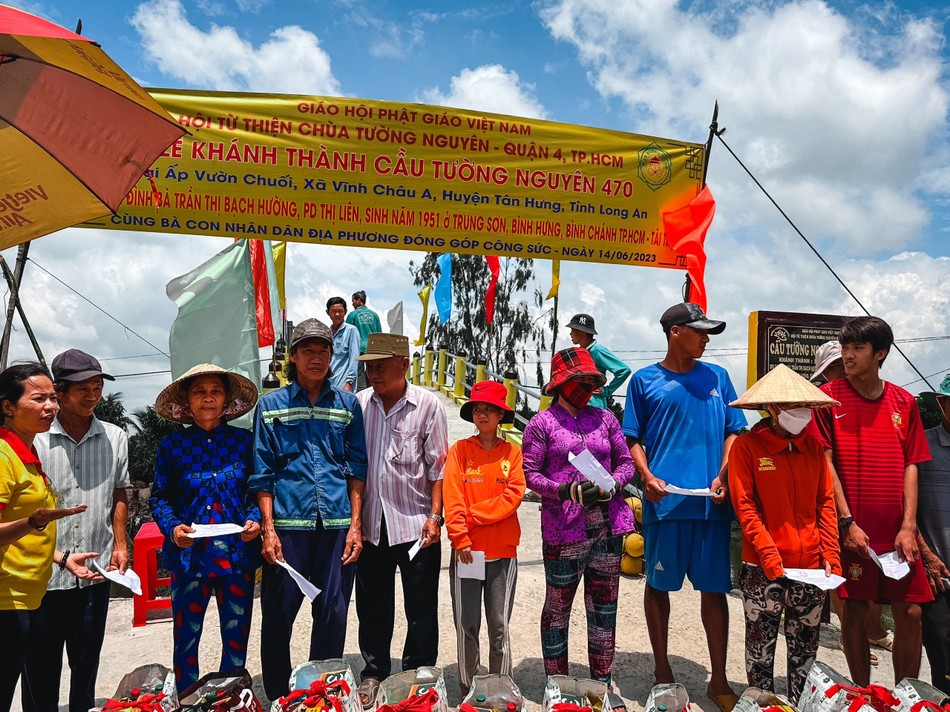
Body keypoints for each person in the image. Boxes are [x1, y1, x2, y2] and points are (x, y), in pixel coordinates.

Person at [622, 303, 746, 712]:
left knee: (715, 591)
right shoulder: (644, 381)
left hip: (712, 505)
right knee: (658, 588)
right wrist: (646, 475)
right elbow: (632, 438)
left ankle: (720, 677)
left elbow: (734, 431)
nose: (707, 339)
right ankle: (661, 669)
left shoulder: (719, 378)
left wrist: (725, 472)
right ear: (676, 332)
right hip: (665, 503)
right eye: (700, 332)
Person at [810, 316, 932, 687]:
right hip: (852, 528)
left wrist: (909, 527)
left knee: (910, 612)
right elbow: (824, 463)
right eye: (844, 348)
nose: (847, 355)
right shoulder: (829, 400)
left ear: (880, 353)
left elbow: (912, 463)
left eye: (857, 348)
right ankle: (864, 693)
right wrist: (846, 523)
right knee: (857, 612)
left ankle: (906, 695)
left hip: (896, 532)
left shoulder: (904, 401)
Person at [249, 319, 368, 700]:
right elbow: (262, 473)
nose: (317, 358)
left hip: (335, 524)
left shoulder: (348, 405)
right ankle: (280, 695)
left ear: (332, 356)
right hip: (287, 524)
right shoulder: (270, 406)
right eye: (308, 350)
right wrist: (268, 529)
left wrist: (355, 525)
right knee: (279, 612)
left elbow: (357, 468)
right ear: (294, 356)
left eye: (324, 351)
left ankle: (320, 691)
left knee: (332, 612)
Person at [727, 364, 842, 700]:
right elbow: (746, 507)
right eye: (794, 408)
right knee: (760, 650)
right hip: (763, 569)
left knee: (805, 651)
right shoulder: (747, 448)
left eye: (805, 407)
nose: (802, 414)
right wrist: (769, 555)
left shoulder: (814, 449)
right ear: (774, 409)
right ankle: (763, 705)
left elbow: (826, 504)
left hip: (812, 569)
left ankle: (802, 704)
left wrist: (831, 556)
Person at [522, 347, 636, 685]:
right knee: (557, 608)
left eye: (591, 380)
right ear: (561, 383)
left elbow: (626, 463)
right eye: (580, 379)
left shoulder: (606, 419)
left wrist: (614, 483)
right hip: (563, 529)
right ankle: (557, 683)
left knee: (604, 608)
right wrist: (565, 490)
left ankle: (601, 681)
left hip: (608, 527)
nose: (586, 385)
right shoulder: (541, 424)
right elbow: (530, 473)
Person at [24, 350, 130, 712]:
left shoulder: (115, 437)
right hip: (42, 574)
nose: (92, 395)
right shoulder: (33, 439)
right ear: (60, 391)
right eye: (82, 388)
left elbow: (119, 492)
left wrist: (121, 543)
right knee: (40, 668)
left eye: (97, 387)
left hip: (94, 572)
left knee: (86, 665)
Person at [149, 364, 262, 692]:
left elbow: (256, 492)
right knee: (185, 640)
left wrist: (254, 519)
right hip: (189, 560)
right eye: (200, 392)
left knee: (236, 637)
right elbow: (160, 498)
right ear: (187, 400)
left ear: (227, 399)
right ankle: (187, 698)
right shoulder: (172, 446)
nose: (208, 398)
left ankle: (229, 697)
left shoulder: (244, 442)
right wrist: (172, 529)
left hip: (236, 558)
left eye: (216, 391)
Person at [354, 333, 448, 708]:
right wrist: (356, 521)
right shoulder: (359, 404)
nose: (373, 372)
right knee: (372, 605)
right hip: (373, 525)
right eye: (369, 366)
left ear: (404, 364)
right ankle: (374, 671)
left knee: (421, 605)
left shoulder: (428, 406)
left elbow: (438, 468)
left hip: (415, 526)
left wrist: (435, 517)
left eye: (380, 364)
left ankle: (418, 672)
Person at [0, 363, 100, 712]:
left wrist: (60, 557)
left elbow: (27, 532)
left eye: (52, 399)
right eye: (38, 398)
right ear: (8, 407)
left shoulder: (25, 453)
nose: (50, 407)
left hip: (27, 594)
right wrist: (34, 521)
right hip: (6, 599)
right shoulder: (2, 456)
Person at [811, 340, 892, 664]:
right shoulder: (822, 407)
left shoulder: (872, 400)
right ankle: (852, 633)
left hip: (870, 497)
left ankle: (872, 629)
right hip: (830, 500)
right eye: (833, 368)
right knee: (838, 569)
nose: (841, 372)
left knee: (877, 567)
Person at [444, 380, 524, 695]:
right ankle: (468, 686)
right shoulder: (460, 451)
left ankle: (500, 685)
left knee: (499, 626)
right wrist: (461, 536)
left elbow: (513, 496)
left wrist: (473, 515)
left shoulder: (513, 454)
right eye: (478, 409)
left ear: (500, 414)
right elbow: (452, 496)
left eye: (489, 409)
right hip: (467, 551)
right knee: (467, 624)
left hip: (503, 552)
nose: (482, 414)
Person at [915, 373, 950, 694]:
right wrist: (925, 556)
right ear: (942, 404)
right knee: (943, 668)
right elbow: (905, 508)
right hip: (939, 577)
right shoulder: (922, 447)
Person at [567, 313, 631, 410]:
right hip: (580, 403)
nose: (570, 334)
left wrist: (607, 391)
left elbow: (624, 370)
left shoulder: (597, 350)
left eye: (572, 330)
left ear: (581, 333)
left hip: (594, 405)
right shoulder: (580, 352)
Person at [346, 290, 382, 391]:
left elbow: (347, 333)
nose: (352, 303)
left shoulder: (352, 315)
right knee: (373, 374)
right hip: (373, 350)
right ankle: (372, 395)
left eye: (353, 300)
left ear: (359, 300)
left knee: (359, 377)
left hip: (358, 350)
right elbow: (379, 334)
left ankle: (362, 399)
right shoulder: (374, 315)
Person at [327, 296, 361, 392]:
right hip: (328, 384)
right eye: (334, 311)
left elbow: (354, 358)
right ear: (328, 312)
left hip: (344, 386)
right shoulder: (327, 333)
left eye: (340, 311)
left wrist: (349, 382)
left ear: (345, 312)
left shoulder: (351, 330)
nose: (337, 314)